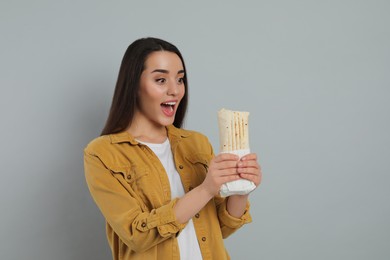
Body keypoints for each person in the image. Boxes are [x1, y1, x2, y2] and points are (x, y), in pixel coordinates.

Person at [84, 37, 262, 260]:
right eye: (161, 80)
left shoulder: (196, 143)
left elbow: (221, 228)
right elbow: (137, 235)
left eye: (180, 80)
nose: (175, 90)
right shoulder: (102, 154)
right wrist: (206, 189)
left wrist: (241, 188)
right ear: (134, 85)